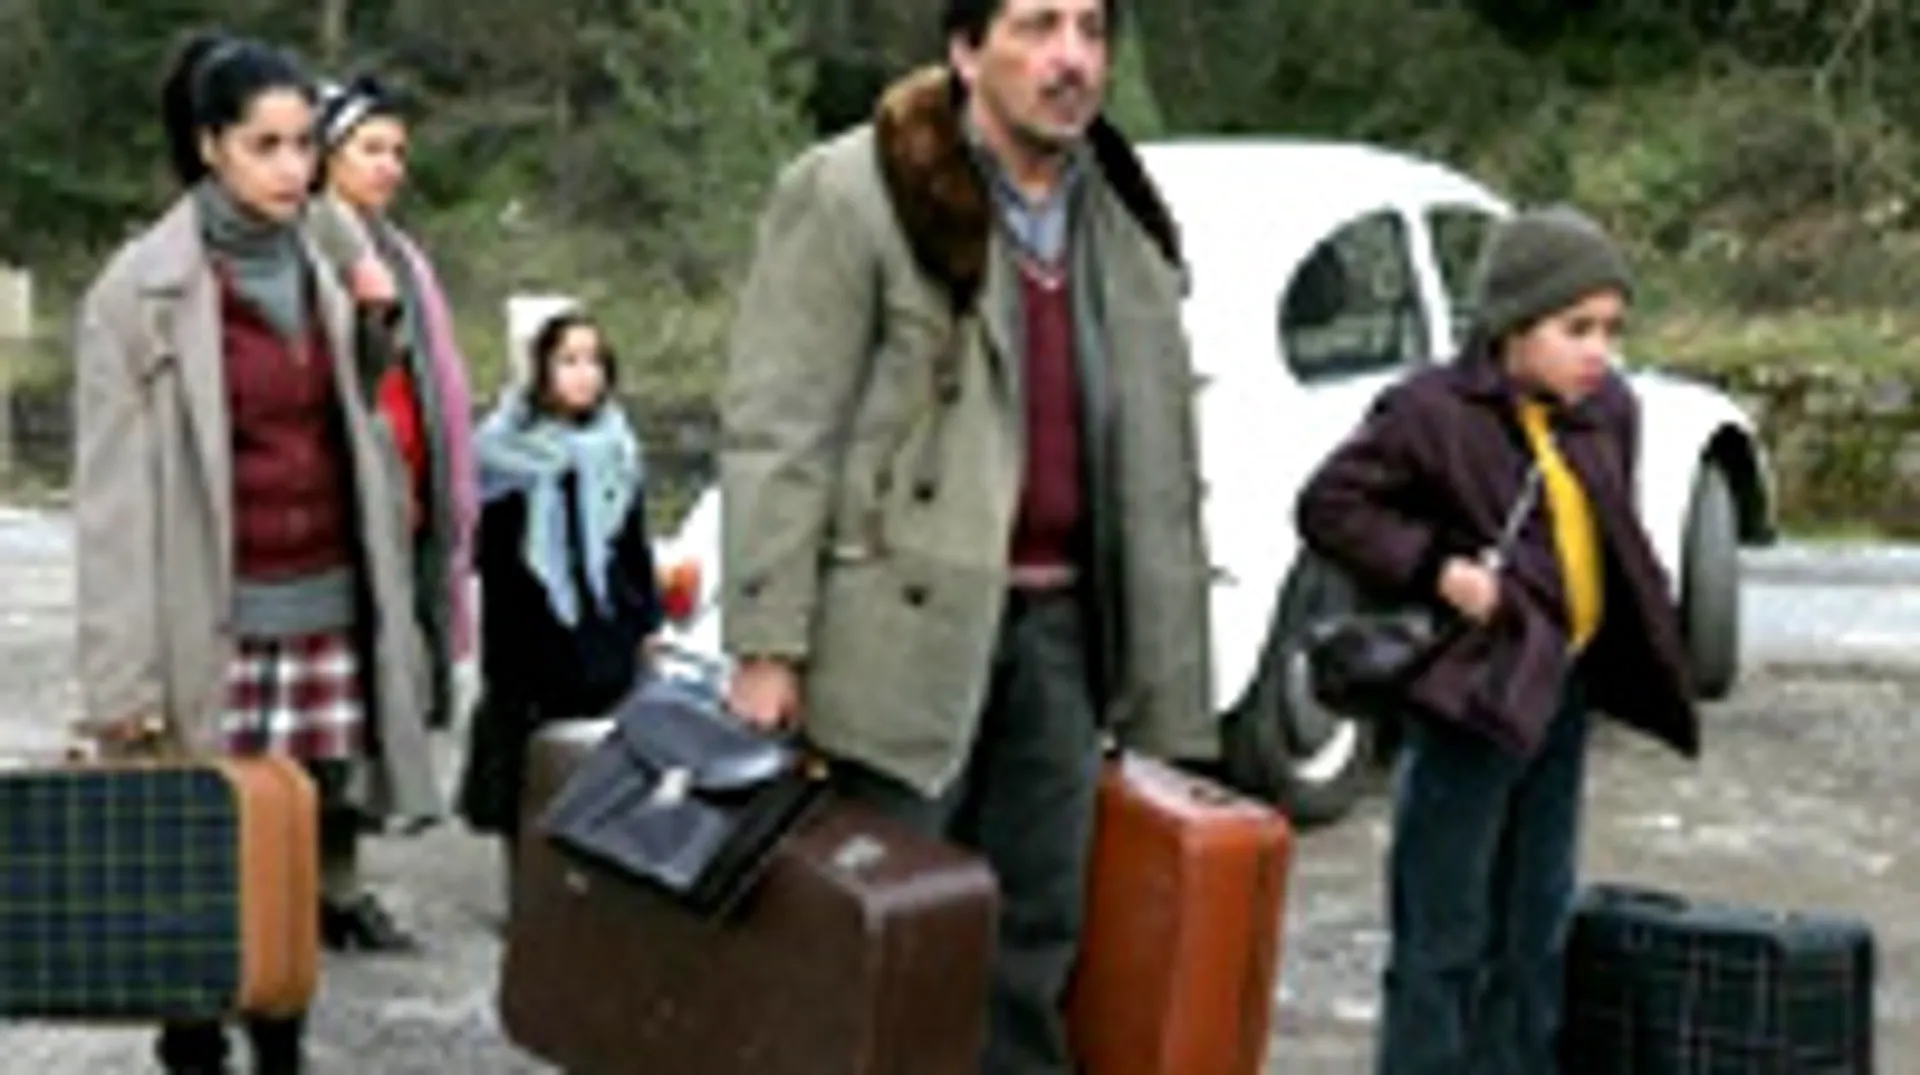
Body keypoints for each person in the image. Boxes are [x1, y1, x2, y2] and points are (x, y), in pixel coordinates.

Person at [718, 1, 1215, 1070]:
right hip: (896, 634)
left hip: (1065, 628)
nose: (1071, 58)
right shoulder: (855, 190)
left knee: (1033, 944)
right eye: (1037, 27)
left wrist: (1166, 673)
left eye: (1091, 30)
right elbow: (781, 426)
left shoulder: (1120, 215)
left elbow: (1161, 461)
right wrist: (767, 644)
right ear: (963, 49)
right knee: (883, 939)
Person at [71, 30, 440, 1075]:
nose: (291, 168)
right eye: (264, 146)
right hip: (211, 622)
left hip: (325, 608)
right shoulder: (138, 290)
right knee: (199, 861)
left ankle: (284, 1045)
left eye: (303, 145)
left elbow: (357, 423)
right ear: (209, 146)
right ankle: (192, 1047)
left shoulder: (330, 255)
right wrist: (121, 681)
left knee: (292, 855)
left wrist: (375, 325)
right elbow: (112, 508)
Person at [1294, 206, 1701, 1075]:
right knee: (1444, 931)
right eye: (1576, 329)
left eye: (1612, 330)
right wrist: (1436, 568)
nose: (1599, 351)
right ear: (1514, 324)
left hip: (1561, 690)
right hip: (1471, 699)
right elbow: (1331, 504)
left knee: (1535, 921)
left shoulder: (1608, 410)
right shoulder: (1430, 412)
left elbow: (1610, 531)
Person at [457, 309, 663, 903]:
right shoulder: (502, 453)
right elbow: (490, 558)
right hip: (529, 641)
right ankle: (527, 893)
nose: (583, 374)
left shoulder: (616, 448)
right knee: (527, 770)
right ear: (540, 370)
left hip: (605, 633)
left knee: (603, 769)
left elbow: (633, 544)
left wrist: (646, 623)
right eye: (568, 360)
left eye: (593, 360)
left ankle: (593, 893)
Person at [308, 72, 479, 736]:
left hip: (410, 490)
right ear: (328, 155)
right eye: (371, 149)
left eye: (399, 153)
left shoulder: (400, 256)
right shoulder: (312, 247)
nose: (390, 167)